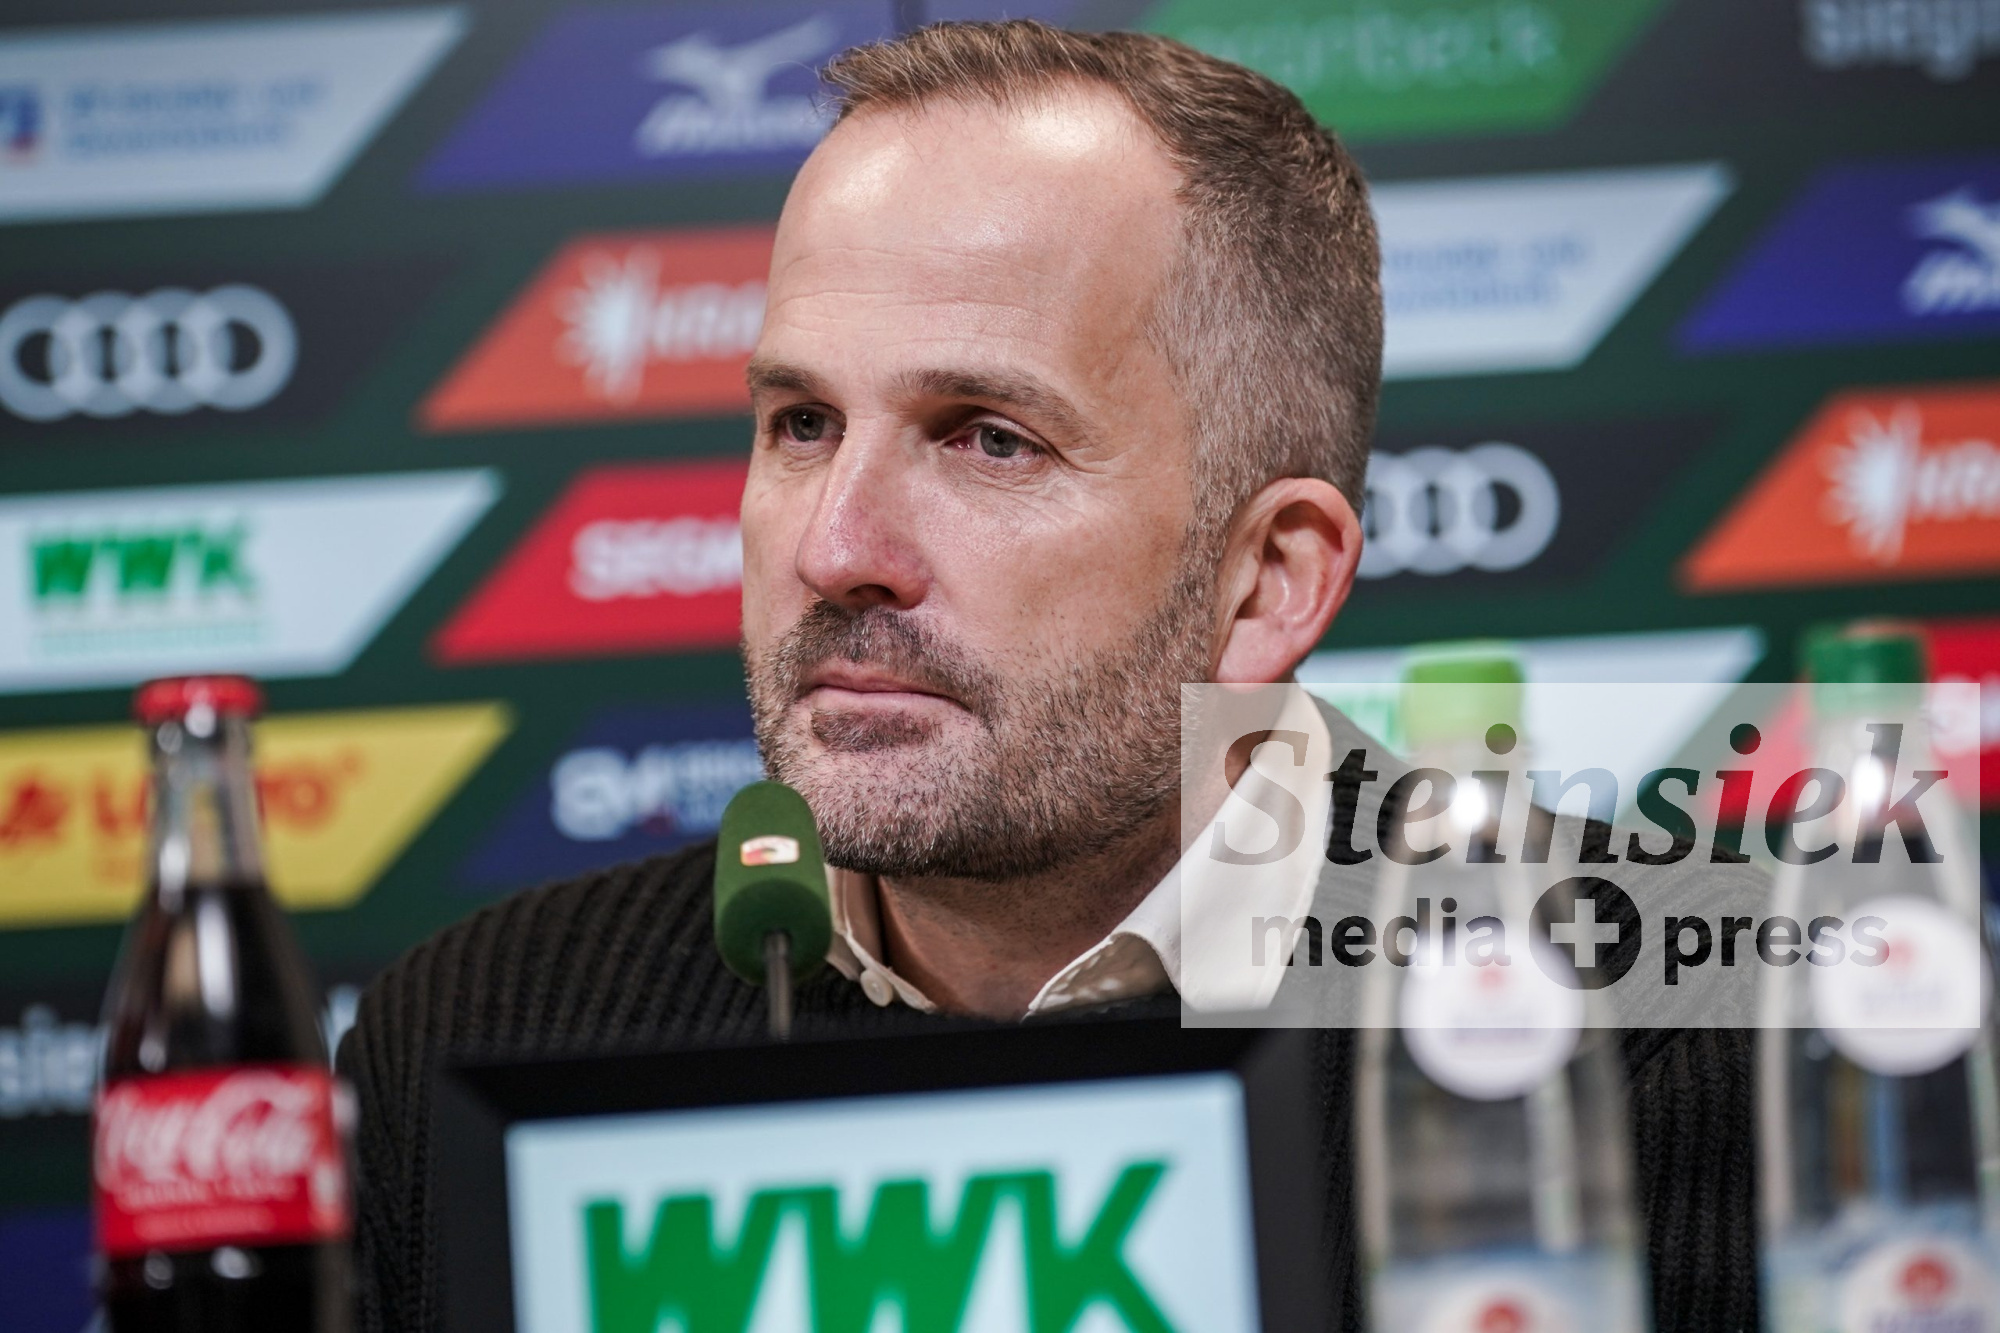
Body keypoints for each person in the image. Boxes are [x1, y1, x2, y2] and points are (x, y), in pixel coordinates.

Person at [337, 20, 1755, 1331]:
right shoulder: (475, 1035)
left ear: (1268, 579)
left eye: (988, 438)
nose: (836, 549)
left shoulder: (1683, 1035)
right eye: (803, 422)